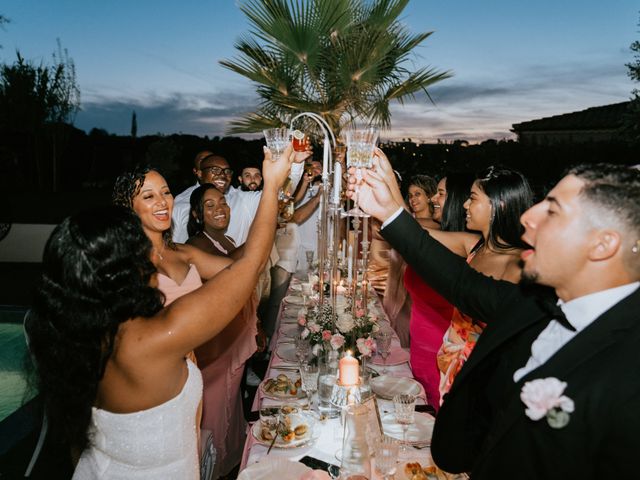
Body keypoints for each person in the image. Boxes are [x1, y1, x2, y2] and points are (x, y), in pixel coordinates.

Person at [349, 160, 640, 478]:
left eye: (552, 211)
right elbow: (459, 282)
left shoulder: (629, 365)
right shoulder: (534, 302)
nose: (527, 217)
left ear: (603, 244)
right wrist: (388, 210)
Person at [25, 145, 291, 479]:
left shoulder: (78, 339)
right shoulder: (154, 339)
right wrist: (273, 183)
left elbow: (80, 448)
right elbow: (250, 265)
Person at [405, 172, 475, 409]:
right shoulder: (438, 233)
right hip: (418, 347)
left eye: (441, 194)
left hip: (442, 352)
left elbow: (408, 227)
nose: (434, 197)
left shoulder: (464, 245)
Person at [171, 150, 215, 244]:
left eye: (212, 159)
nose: (209, 162)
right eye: (204, 160)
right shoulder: (181, 202)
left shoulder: (236, 195)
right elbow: (175, 245)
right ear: (196, 171)